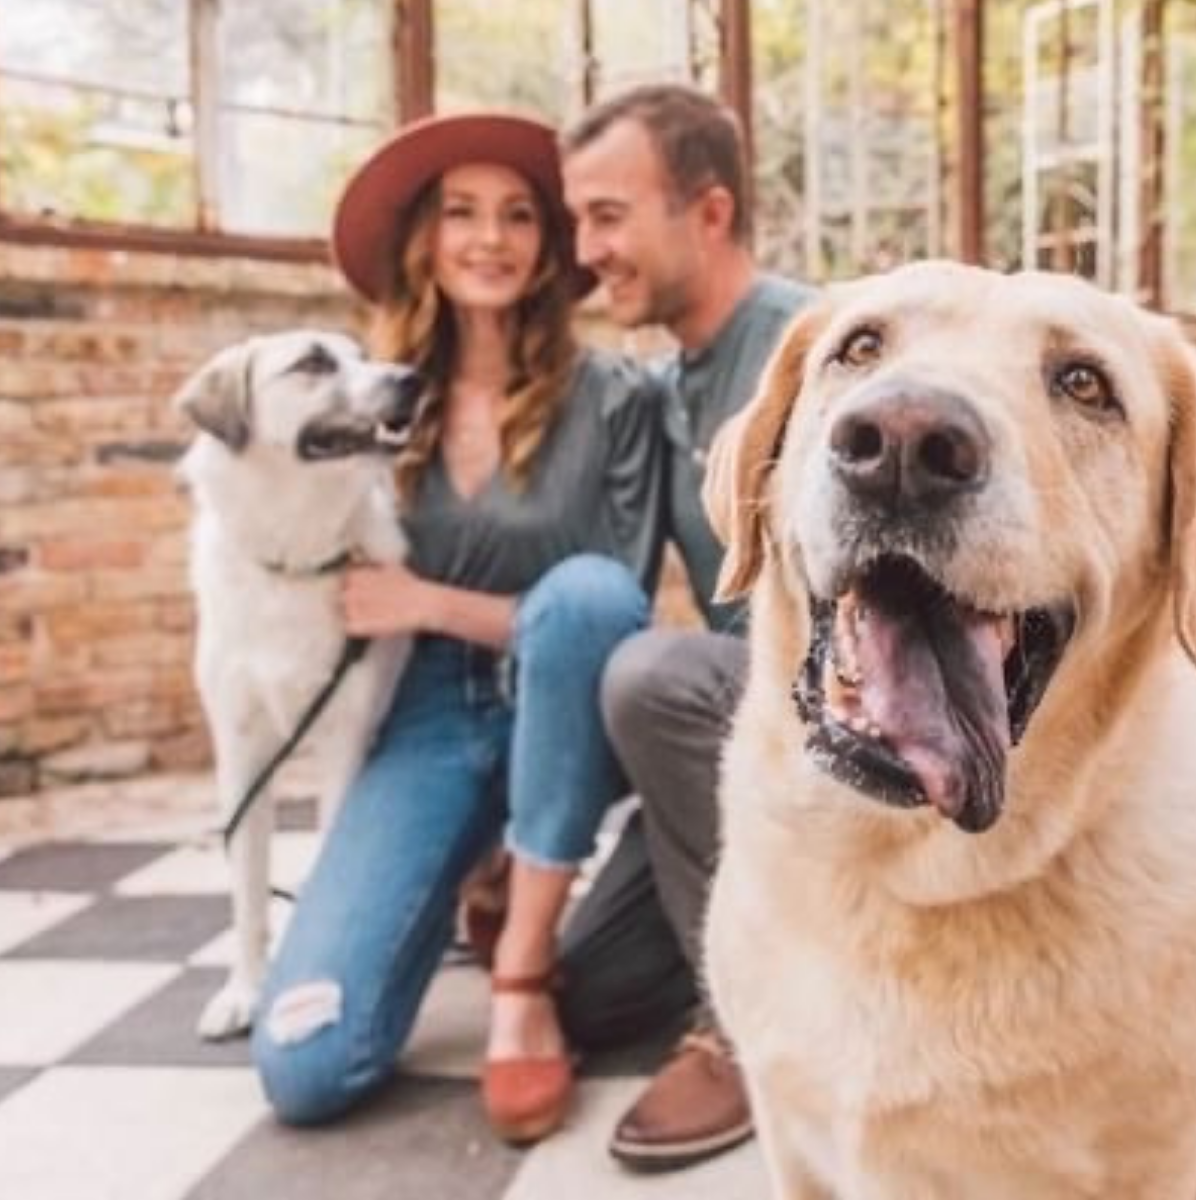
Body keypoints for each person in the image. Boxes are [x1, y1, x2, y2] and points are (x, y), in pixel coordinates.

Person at [249, 111, 679, 1146]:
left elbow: (613, 603)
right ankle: (479, 859)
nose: (489, 239)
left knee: (577, 599)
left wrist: (431, 602)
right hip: (430, 715)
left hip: (570, 702)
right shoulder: (374, 399)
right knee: (307, 1063)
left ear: (548, 242)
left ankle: (521, 964)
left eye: (519, 215)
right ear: (423, 240)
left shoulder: (615, 396)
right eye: (461, 213)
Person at [558, 82, 813, 1172]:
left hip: (836, 736)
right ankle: (804, 949)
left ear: (707, 214)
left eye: (606, 216)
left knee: (651, 673)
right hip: (738, 747)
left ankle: (753, 1025)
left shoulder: (816, 351)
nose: (585, 249)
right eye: (576, 220)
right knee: (587, 990)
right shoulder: (663, 391)